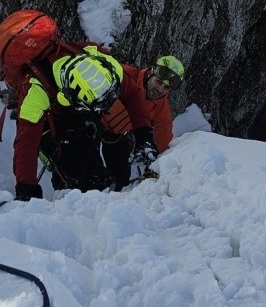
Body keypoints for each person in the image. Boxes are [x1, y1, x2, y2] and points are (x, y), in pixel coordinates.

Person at [13, 45, 156, 201]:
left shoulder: (104, 64)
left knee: (89, 144)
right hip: (52, 122)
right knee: (72, 157)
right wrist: (26, 186)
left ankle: (97, 184)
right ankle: (70, 194)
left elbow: (132, 93)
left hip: (82, 113)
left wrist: (144, 135)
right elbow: (26, 142)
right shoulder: (35, 93)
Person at [101, 55, 185, 189]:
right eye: (158, 82)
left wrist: (158, 167)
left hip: (114, 137)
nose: (160, 89)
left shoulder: (161, 109)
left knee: (121, 179)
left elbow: (163, 142)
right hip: (91, 121)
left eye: (166, 87)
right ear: (151, 71)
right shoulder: (126, 74)